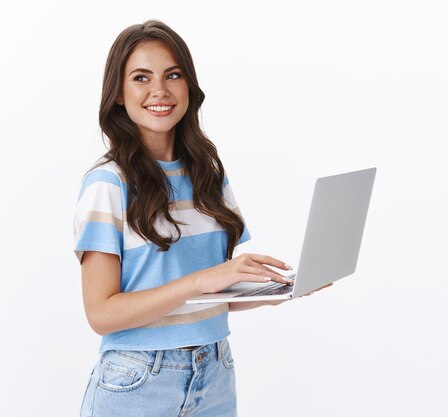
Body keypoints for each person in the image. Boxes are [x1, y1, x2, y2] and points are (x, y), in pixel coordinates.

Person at [74, 20, 320, 417]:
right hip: (138, 381)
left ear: (189, 85)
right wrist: (200, 280)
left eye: (173, 75)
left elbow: (207, 298)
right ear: (119, 93)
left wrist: (274, 291)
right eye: (141, 78)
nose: (160, 90)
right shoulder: (108, 183)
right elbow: (101, 314)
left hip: (215, 372)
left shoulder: (208, 174)